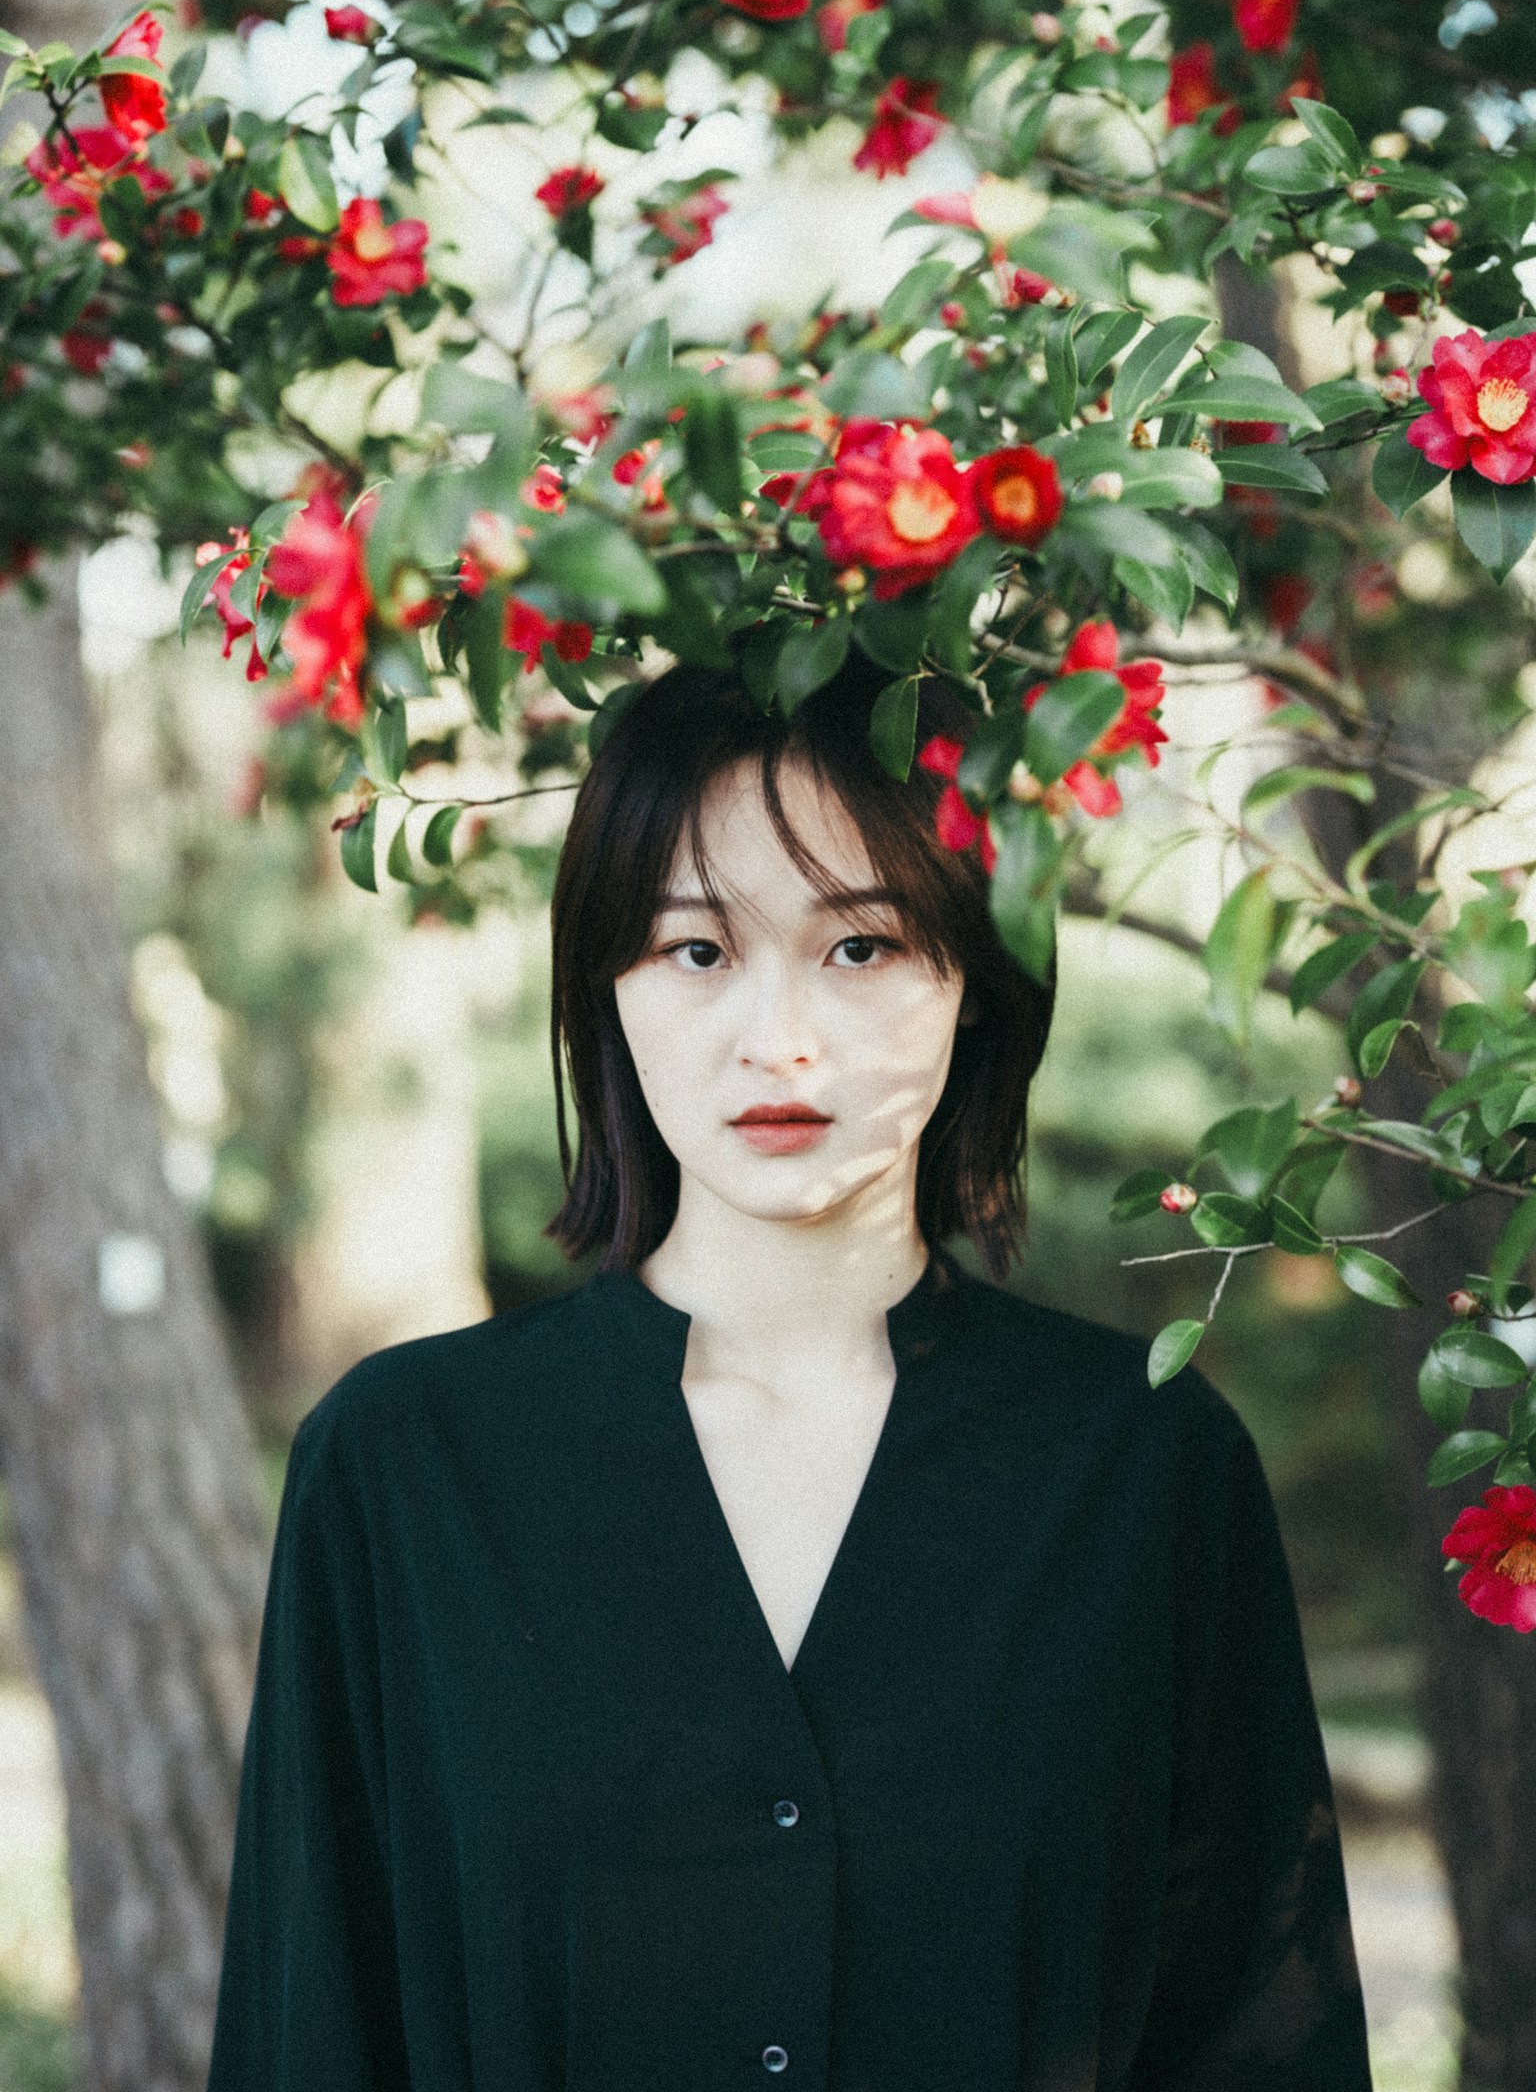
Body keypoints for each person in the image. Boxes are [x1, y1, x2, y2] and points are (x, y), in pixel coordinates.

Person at [207, 651, 1372, 2091]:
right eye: (698, 950)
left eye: (862, 946)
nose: (781, 1039)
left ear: (979, 982)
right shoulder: (400, 1466)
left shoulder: (1144, 1463)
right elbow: (310, 2029)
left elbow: (1264, 2039)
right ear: (607, 990)